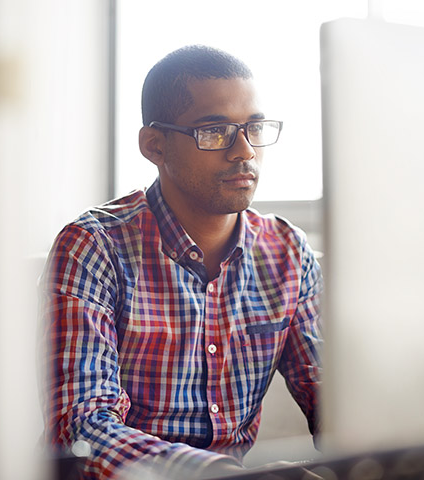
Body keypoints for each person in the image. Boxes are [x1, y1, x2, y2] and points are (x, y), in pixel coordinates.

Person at [39, 45, 323, 479]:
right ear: (154, 145)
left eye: (254, 128)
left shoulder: (287, 252)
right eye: (215, 132)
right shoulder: (93, 247)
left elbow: (330, 396)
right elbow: (81, 428)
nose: (244, 151)